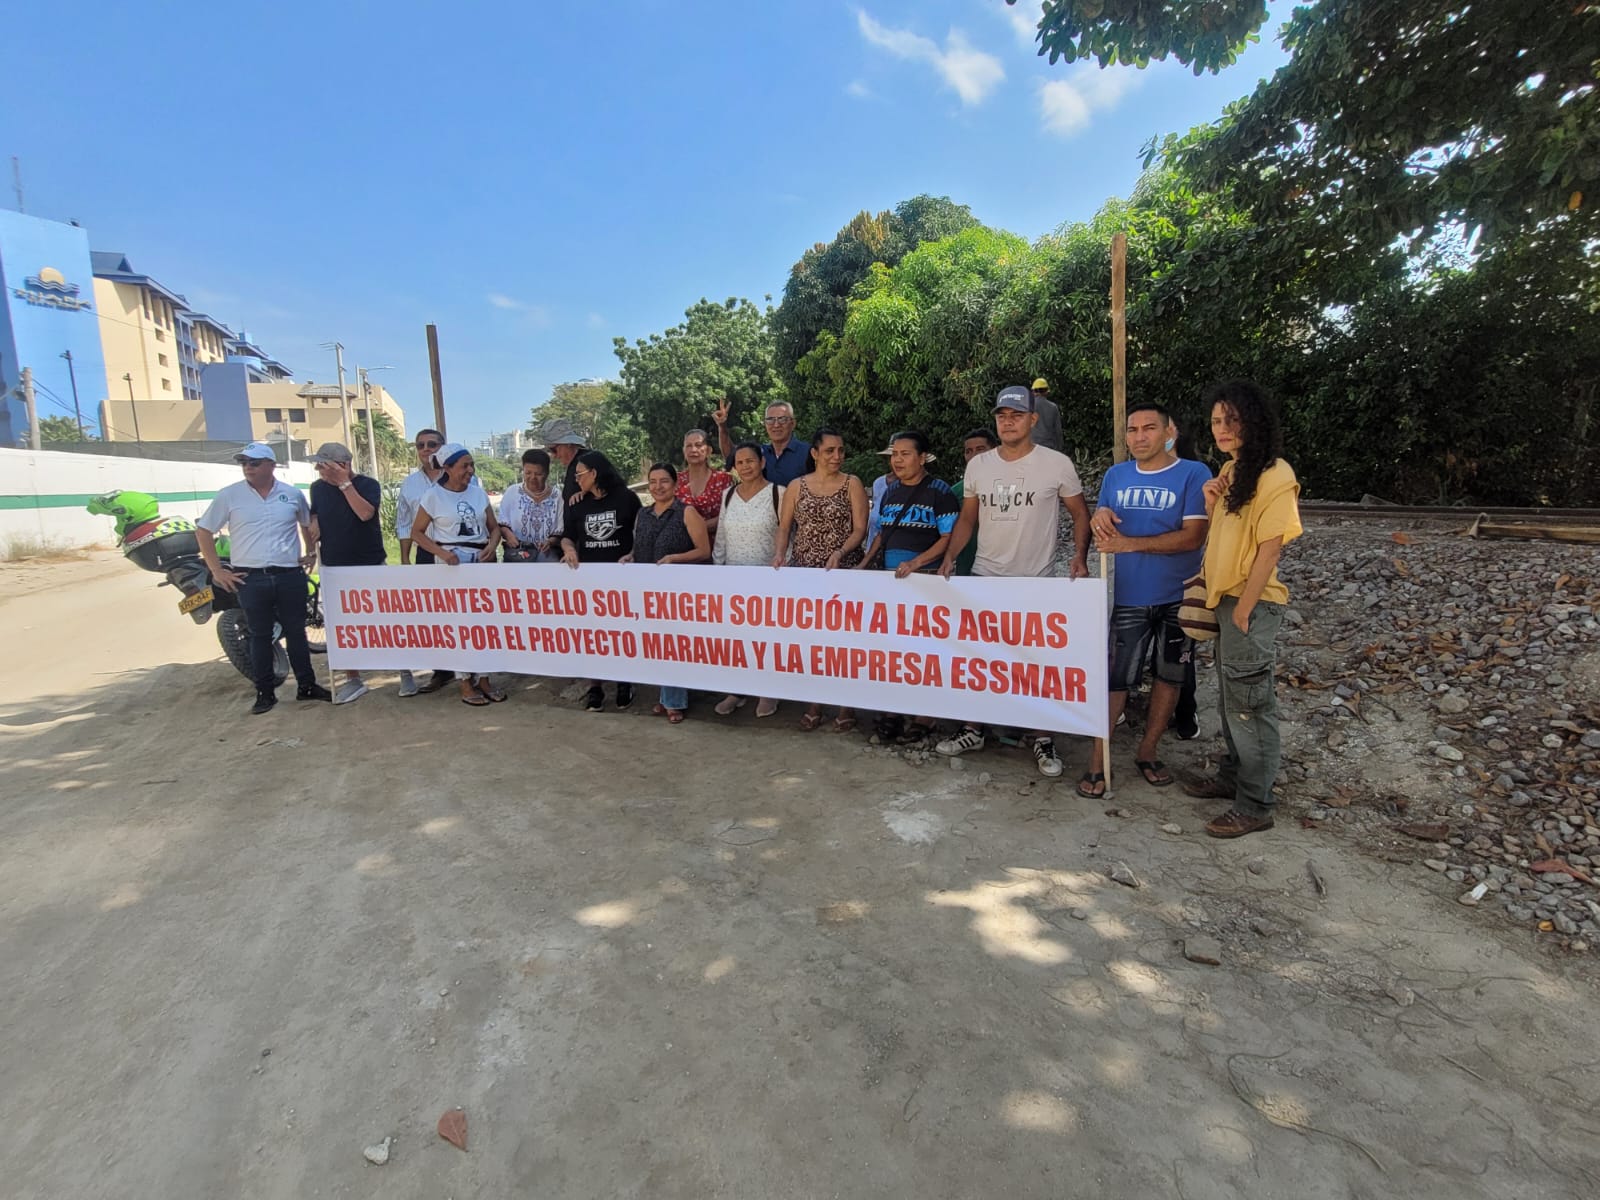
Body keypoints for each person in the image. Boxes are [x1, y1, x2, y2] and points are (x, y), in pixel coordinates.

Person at [935, 386, 1092, 777]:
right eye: (1002, 415)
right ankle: (974, 729)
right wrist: (951, 556)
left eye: (1016, 415)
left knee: (1037, 665)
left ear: (1032, 420)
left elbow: (1079, 513)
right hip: (986, 577)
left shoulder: (1056, 464)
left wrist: (1078, 556)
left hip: (1035, 580)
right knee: (980, 660)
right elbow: (968, 518)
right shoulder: (979, 466)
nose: (1008, 421)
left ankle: (1042, 738)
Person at [1182, 380, 1303, 838]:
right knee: (1235, 700)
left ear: (1253, 421)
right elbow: (1226, 538)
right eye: (1216, 421)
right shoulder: (1233, 472)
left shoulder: (1275, 474)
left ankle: (1255, 804)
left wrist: (1244, 608)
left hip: (1248, 603)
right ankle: (1233, 779)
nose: (1223, 429)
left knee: (1251, 703)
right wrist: (1212, 503)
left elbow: (1270, 549)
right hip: (1227, 601)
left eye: (1231, 419)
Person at [1079, 404, 1210, 798]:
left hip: (1180, 595)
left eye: (1148, 428)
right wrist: (1099, 515)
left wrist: (1128, 544)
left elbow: (1193, 537)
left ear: (1170, 430)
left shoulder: (1193, 473)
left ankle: (1148, 750)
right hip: (1130, 596)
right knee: (1116, 679)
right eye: (1132, 429)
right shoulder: (1116, 475)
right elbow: (1102, 519)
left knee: (1170, 676)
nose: (1139, 436)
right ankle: (1097, 760)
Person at [195, 441, 332, 715]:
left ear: (271, 465)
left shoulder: (292, 495)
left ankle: (306, 685)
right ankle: (265, 692)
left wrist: (310, 553)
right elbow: (203, 530)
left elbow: (306, 524)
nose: (248, 467)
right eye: (244, 462)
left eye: (254, 462)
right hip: (251, 578)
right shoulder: (229, 496)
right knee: (259, 636)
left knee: (296, 632)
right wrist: (217, 570)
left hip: (288, 575)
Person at [858, 430, 958, 744]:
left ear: (923, 457)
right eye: (894, 454)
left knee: (925, 652)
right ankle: (893, 711)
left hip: (925, 582)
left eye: (905, 454)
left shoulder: (940, 492)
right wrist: (864, 563)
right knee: (895, 651)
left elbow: (948, 538)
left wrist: (916, 564)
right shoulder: (890, 491)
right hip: (891, 583)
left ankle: (924, 717)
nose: (897, 460)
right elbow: (881, 534)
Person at [773, 426, 868, 731]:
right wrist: (779, 555)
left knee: (845, 642)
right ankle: (814, 702)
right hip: (805, 573)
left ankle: (846, 706)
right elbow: (785, 527)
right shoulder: (795, 486)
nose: (837, 456)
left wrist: (840, 552)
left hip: (843, 572)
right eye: (830, 451)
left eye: (840, 450)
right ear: (814, 453)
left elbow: (860, 529)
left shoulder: (852, 483)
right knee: (812, 643)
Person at [409, 443, 506, 706]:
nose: (470, 470)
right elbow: (416, 532)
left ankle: (484, 678)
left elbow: (493, 527)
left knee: (485, 621)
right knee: (460, 623)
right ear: (447, 468)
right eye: (464, 466)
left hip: (481, 559)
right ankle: (464, 681)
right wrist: (441, 554)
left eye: (471, 464)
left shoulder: (478, 494)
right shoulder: (433, 497)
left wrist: (491, 545)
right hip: (453, 562)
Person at [557, 450, 644, 712]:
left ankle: (624, 681)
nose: (576, 478)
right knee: (593, 634)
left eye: (580, 474)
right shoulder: (576, 503)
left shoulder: (627, 499)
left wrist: (633, 554)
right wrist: (569, 549)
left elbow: (640, 532)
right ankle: (595, 685)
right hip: (589, 579)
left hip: (621, 578)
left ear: (594, 474)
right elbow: (567, 535)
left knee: (621, 632)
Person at [628, 463, 711, 722]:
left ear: (676, 485)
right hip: (647, 592)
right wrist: (629, 557)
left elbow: (704, 550)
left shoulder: (687, 513)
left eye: (664, 481)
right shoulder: (642, 514)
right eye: (653, 482)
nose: (658, 487)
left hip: (677, 593)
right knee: (655, 646)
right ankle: (665, 697)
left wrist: (675, 558)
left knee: (672, 645)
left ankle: (675, 701)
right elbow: (638, 547)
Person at [306, 441, 385, 704]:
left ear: (342, 465)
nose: (319, 470)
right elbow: (314, 513)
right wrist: (314, 523)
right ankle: (353, 678)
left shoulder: (368, 485)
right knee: (344, 627)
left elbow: (365, 513)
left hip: (369, 564)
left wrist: (344, 484)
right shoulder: (317, 488)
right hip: (334, 566)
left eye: (324, 465)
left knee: (385, 622)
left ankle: (403, 670)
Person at [712, 441, 785, 719]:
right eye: (739, 462)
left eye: (750, 461)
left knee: (766, 638)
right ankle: (737, 689)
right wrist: (718, 569)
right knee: (737, 639)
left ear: (762, 462)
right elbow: (721, 535)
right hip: (733, 578)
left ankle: (768, 691)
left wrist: (784, 570)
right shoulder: (728, 495)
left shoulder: (779, 493)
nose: (745, 466)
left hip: (769, 579)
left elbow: (786, 533)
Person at [395, 428, 447, 696]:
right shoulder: (409, 484)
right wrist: (405, 558)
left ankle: (472, 669)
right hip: (426, 553)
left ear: (443, 447)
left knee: (463, 610)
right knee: (434, 614)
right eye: (420, 445)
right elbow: (404, 523)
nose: (426, 449)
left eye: (432, 444)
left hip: (457, 554)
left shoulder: (464, 475)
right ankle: (442, 671)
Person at [714, 397, 811, 486]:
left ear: (793, 423)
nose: (776, 425)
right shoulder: (760, 453)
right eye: (770, 420)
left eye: (782, 419)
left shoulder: (808, 453)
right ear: (765, 424)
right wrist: (722, 427)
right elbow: (731, 455)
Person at [497, 447, 563, 562]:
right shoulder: (512, 492)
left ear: (547, 473)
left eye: (538, 474)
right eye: (528, 473)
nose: (532, 478)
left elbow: (561, 531)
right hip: (518, 551)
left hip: (548, 553)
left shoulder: (558, 496)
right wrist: (508, 535)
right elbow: (502, 523)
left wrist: (550, 542)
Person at [949, 428, 998, 577]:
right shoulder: (955, 491)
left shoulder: (1011, 485)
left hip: (1007, 572)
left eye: (980, 449)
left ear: (995, 451)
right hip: (968, 570)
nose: (973, 455)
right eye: (968, 451)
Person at [675, 428, 733, 539]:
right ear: (684, 451)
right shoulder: (676, 480)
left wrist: (696, 528)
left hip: (716, 547)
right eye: (688, 446)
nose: (693, 450)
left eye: (698, 445)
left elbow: (728, 515)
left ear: (709, 450)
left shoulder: (723, 479)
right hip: (681, 546)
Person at [537, 418, 589, 504]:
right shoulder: (573, 465)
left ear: (568, 444)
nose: (553, 456)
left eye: (553, 449)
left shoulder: (588, 462)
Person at [1030, 378, 1064, 453]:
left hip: (1031, 447)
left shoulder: (1028, 406)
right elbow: (1058, 431)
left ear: (1033, 391)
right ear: (1046, 392)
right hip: (1049, 447)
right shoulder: (1053, 407)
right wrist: (1059, 449)